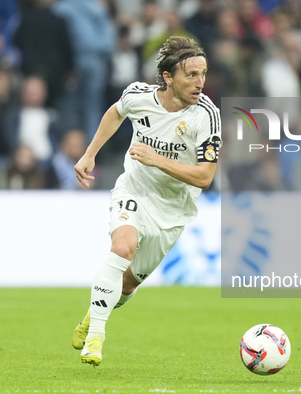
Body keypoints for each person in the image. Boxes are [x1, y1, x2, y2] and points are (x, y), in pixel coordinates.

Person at [71, 36, 221, 366]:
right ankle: (95, 337)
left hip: (173, 210)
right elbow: (115, 112)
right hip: (134, 191)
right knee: (122, 247)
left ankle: (92, 314)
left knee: (126, 285)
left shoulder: (207, 116)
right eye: (191, 75)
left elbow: (205, 177)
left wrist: (157, 159)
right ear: (168, 77)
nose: (200, 83)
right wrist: (89, 154)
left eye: (203, 74)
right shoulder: (139, 95)